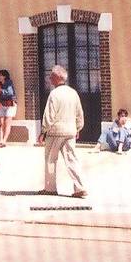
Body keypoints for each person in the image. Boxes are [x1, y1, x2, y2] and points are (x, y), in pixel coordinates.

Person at [38, 65, 87, 198]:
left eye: (51, 76)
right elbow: (79, 113)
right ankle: (80, 188)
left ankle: (50, 188)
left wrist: (43, 131)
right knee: (72, 160)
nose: (49, 78)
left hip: (55, 132)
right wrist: (78, 127)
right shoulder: (73, 92)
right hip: (70, 131)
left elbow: (49, 115)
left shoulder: (54, 94)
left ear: (57, 77)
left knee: (50, 160)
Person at [0, 69, 17, 147]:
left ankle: (4, 141)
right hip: (2, 104)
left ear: (4, 76)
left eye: (0, 75)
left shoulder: (9, 83)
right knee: (2, 123)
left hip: (10, 104)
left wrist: (1, 91)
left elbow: (11, 93)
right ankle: (1, 140)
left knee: (7, 123)